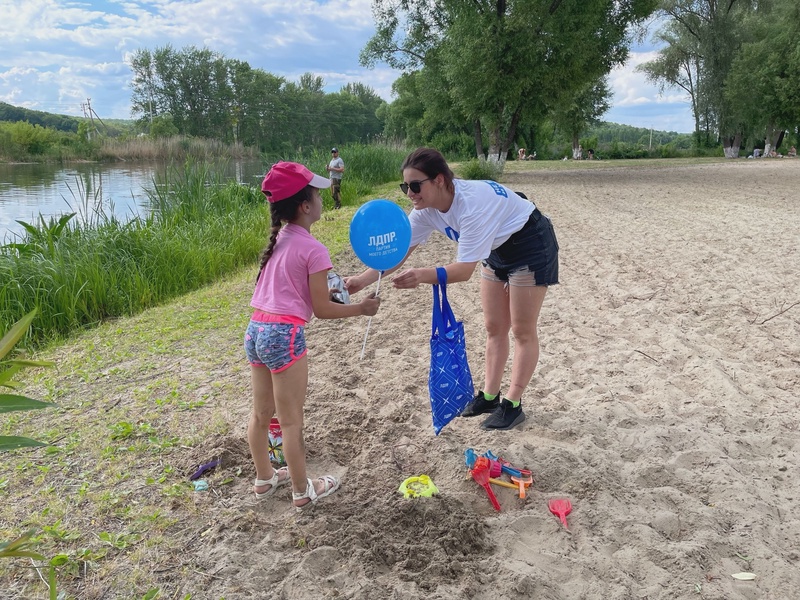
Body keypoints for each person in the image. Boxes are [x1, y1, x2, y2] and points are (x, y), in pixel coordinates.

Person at [345, 148, 559, 430]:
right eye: (405, 186)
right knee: (494, 326)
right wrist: (361, 281)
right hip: (496, 248)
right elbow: (397, 254)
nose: (409, 193)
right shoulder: (424, 211)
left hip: (529, 243)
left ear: (440, 180)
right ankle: (490, 396)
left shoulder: (471, 207)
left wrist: (422, 275)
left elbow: (463, 271)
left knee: (521, 329)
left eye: (415, 185)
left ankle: (513, 403)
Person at [245, 161, 381, 508]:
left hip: (256, 330)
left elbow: (291, 292)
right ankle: (302, 490)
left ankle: (264, 478)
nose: (321, 198)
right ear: (306, 206)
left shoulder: (278, 240)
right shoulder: (313, 249)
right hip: (283, 335)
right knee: (290, 422)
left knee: (262, 415)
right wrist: (360, 309)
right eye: (317, 194)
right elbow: (322, 310)